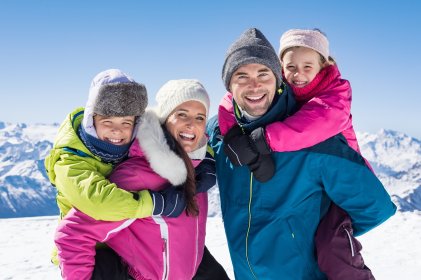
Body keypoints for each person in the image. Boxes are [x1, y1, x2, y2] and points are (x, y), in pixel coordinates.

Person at [207, 27, 396, 279]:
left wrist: (325, 234)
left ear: (277, 80)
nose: (254, 85)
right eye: (241, 76)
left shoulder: (316, 138)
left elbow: (375, 207)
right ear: (229, 85)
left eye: (263, 73)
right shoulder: (218, 132)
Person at [45, 71, 228, 279]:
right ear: (164, 119)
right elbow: (72, 235)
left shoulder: (196, 164)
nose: (191, 124)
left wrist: (208, 163)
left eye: (200, 117)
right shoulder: (138, 175)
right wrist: (155, 203)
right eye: (181, 114)